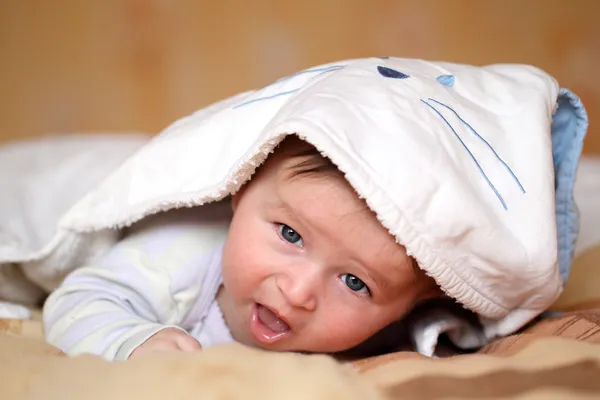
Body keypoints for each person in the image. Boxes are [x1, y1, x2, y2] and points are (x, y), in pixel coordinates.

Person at [43, 136, 442, 360]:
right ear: (242, 194)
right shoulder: (181, 256)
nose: (298, 292)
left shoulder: (396, 324)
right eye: (290, 235)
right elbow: (79, 298)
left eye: (354, 282)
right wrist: (131, 342)